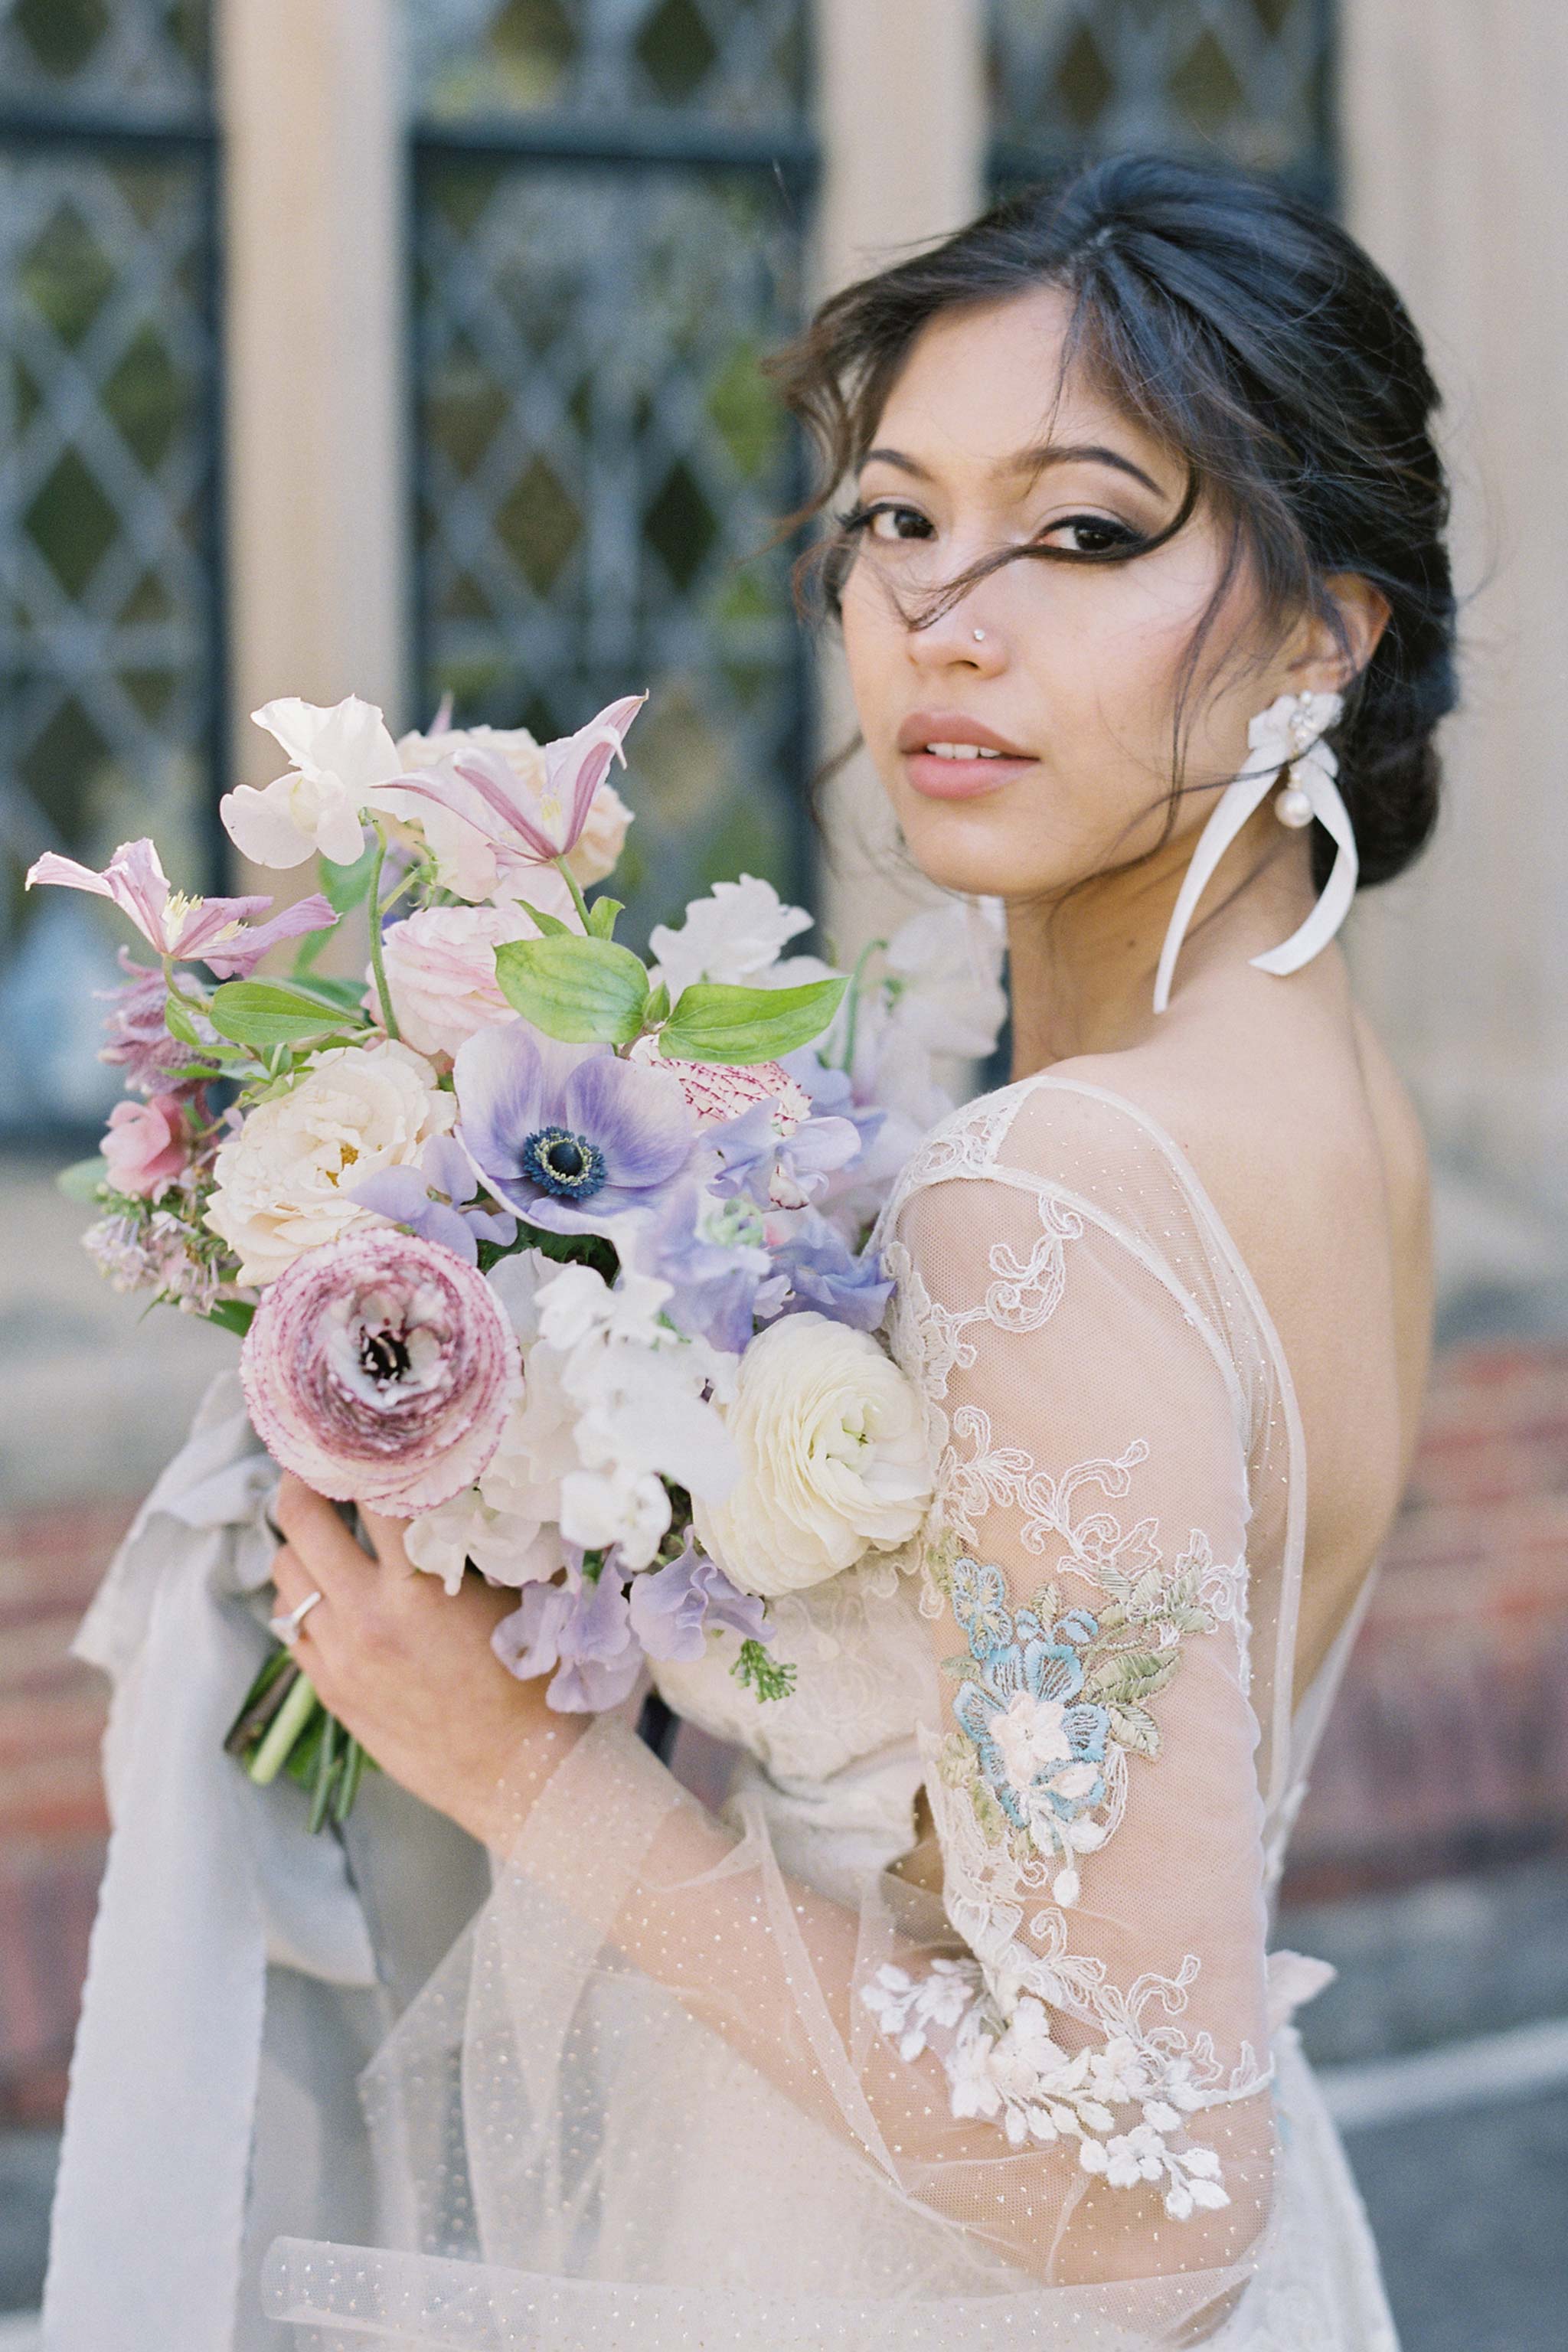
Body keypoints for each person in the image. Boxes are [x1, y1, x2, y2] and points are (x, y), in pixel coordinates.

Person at [254, 153, 1449, 2345]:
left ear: (1323, 631)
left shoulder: (1061, 1194)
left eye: (1086, 531)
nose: (941, 618)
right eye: (899, 518)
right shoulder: (1348, 1119)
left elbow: (1147, 2200)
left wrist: (520, 1767)